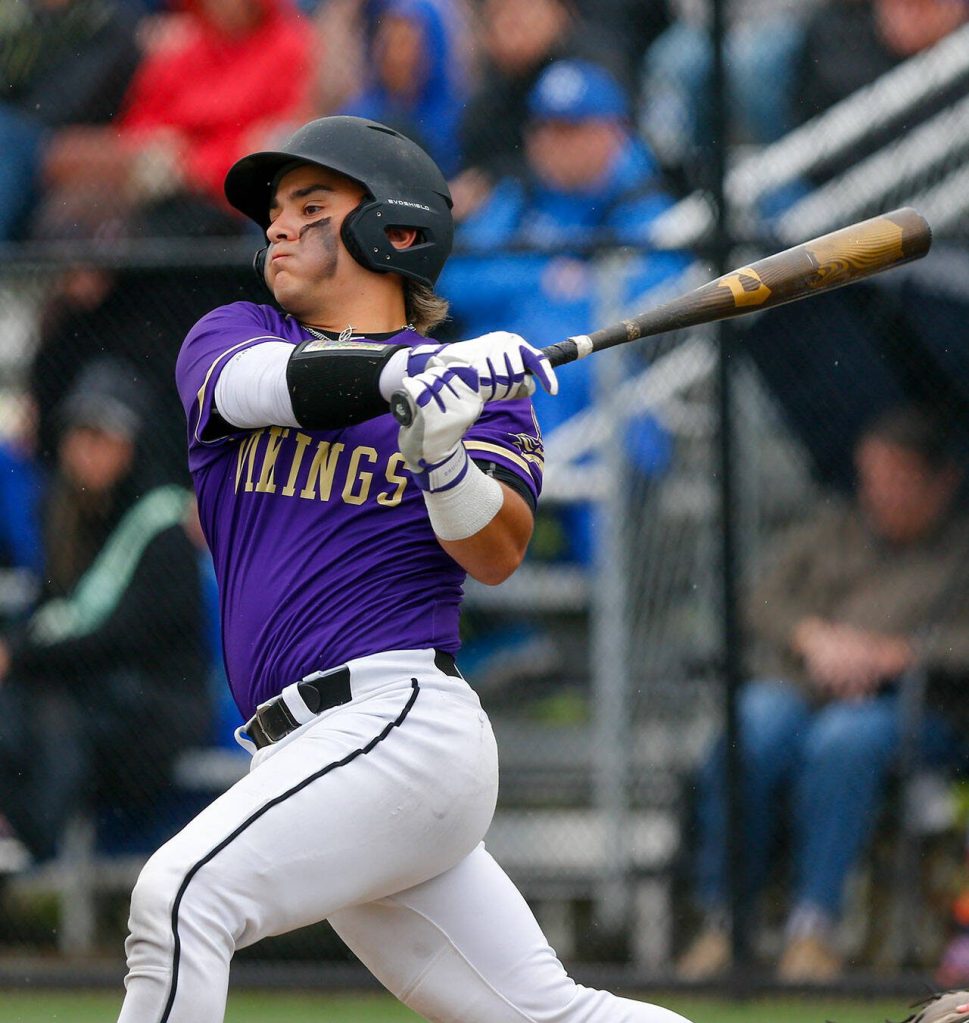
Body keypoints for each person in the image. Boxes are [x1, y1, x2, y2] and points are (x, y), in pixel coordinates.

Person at [117, 114, 696, 1023]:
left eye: (311, 206)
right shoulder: (233, 332)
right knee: (551, 1016)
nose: (277, 225)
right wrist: (399, 377)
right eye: (276, 209)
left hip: (399, 724)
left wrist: (443, 455)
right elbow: (258, 386)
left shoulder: (480, 397)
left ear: (393, 230)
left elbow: (494, 553)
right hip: (304, 751)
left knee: (181, 897)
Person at [677, 404, 969, 982]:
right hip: (803, 690)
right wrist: (815, 638)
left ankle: (814, 928)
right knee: (753, 723)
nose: (879, 493)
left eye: (897, 480)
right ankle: (724, 918)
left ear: (942, 482)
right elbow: (759, 600)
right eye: (872, 477)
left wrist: (897, 655)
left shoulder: (960, 548)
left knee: (846, 740)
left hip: (916, 709)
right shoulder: (834, 527)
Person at [0, 359, 208, 865]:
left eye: (103, 436)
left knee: (48, 710)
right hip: (90, 695)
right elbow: (55, 619)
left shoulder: (160, 527)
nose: (86, 450)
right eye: (79, 434)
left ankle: (28, 843)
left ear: (130, 445)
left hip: (153, 709)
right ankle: (18, 840)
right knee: (29, 704)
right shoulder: (65, 518)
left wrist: (17, 654)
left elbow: (115, 635)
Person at [0, 0, 144, 241]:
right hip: (21, 132)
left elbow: (64, 105)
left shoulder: (106, 23)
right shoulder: (20, 18)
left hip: (60, 137)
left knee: (9, 143)